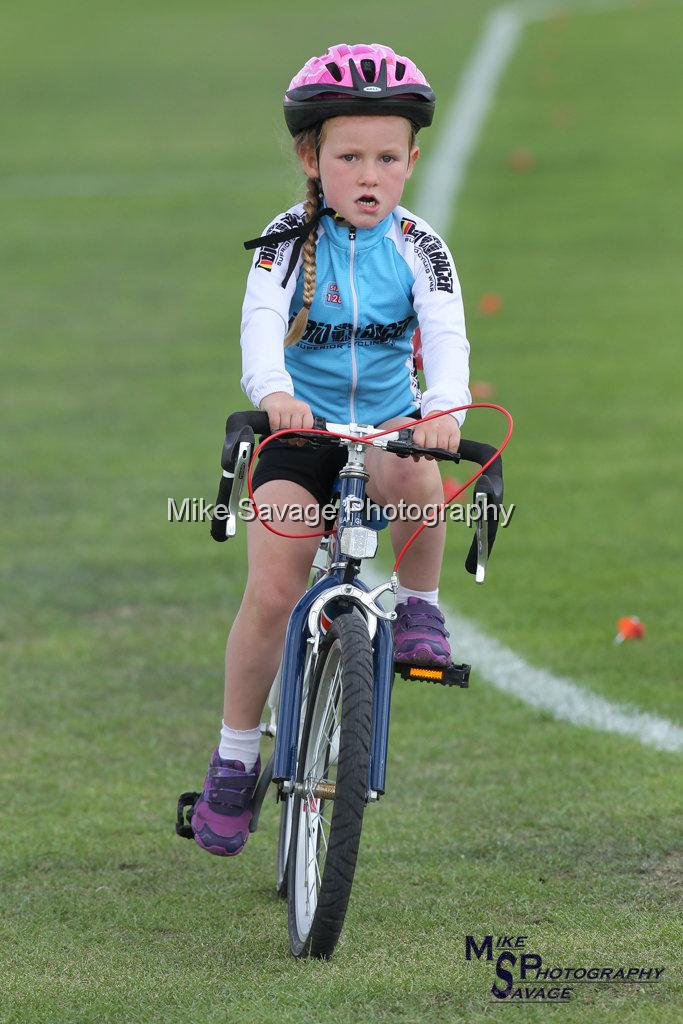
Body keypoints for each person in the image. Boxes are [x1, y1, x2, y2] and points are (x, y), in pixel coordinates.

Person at [191, 43, 471, 857]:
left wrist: (443, 409)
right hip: (299, 433)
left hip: (387, 424)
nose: (369, 174)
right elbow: (257, 327)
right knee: (273, 592)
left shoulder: (422, 244)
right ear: (312, 158)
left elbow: (445, 333)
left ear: (412, 162)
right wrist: (273, 392)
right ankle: (237, 757)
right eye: (350, 157)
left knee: (415, 466)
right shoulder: (285, 240)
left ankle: (419, 605)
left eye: (387, 157)